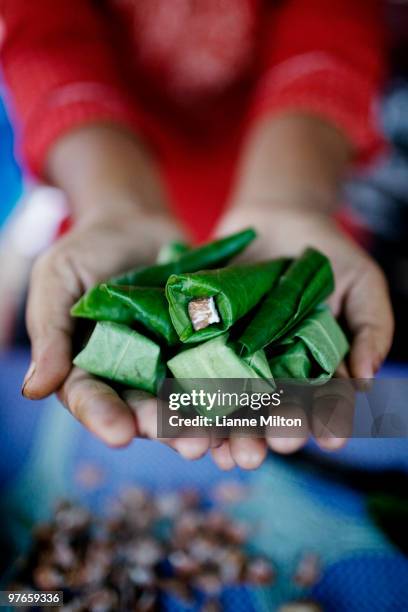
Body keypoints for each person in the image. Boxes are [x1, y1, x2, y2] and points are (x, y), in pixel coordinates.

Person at [0, 0, 393, 470]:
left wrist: (290, 198)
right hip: (110, 193)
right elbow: (43, 33)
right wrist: (113, 206)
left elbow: (334, 20)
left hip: (300, 179)